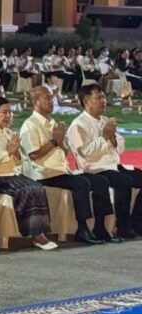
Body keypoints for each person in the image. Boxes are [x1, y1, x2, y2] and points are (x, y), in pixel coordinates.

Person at [19, 86, 112, 245]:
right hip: (44, 174)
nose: (52, 101)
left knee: (101, 181)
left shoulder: (52, 123)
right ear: (36, 102)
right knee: (81, 183)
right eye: (47, 98)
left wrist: (60, 141)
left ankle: (100, 226)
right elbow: (33, 155)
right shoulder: (30, 125)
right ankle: (82, 229)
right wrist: (55, 141)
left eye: (52, 97)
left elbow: (64, 150)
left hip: (61, 171)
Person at [0, 96, 57, 250]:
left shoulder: (7, 132)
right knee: (27, 189)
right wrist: (8, 152)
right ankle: (35, 234)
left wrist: (16, 152)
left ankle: (39, 233)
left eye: (10, 112)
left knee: (37, 187)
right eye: (4, 112)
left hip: (10, 175)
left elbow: (18, 161)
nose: (8, 116)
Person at [69, 84, 142, 238]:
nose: (103, 101)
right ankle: (123, 226)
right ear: (86, 101)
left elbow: (120, 148)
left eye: (104, 97)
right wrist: (104, 137)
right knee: (123, 181)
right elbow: (84, 152)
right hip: (95, 169)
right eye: (99, 98)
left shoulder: (106, 121)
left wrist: (112, 137)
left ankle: (136, 222)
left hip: (114, 166)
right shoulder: (78, 125)